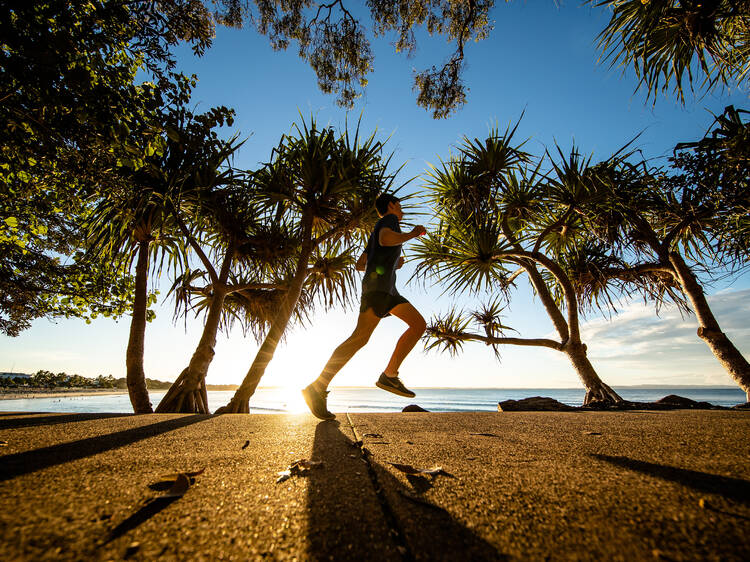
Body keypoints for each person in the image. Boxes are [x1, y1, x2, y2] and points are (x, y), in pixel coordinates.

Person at [302, 193, 427, 420]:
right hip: (379, 290)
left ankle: (389, 375)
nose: (401, 208)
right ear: (391, 205)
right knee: (359, 338)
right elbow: (387, 239)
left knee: (418, 325)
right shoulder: (390, 221)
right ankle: (317, 387)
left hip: (387, 290)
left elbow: (361, 264)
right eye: (399, 205)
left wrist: (391, 264)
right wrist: (412, 234)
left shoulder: (379, 228)